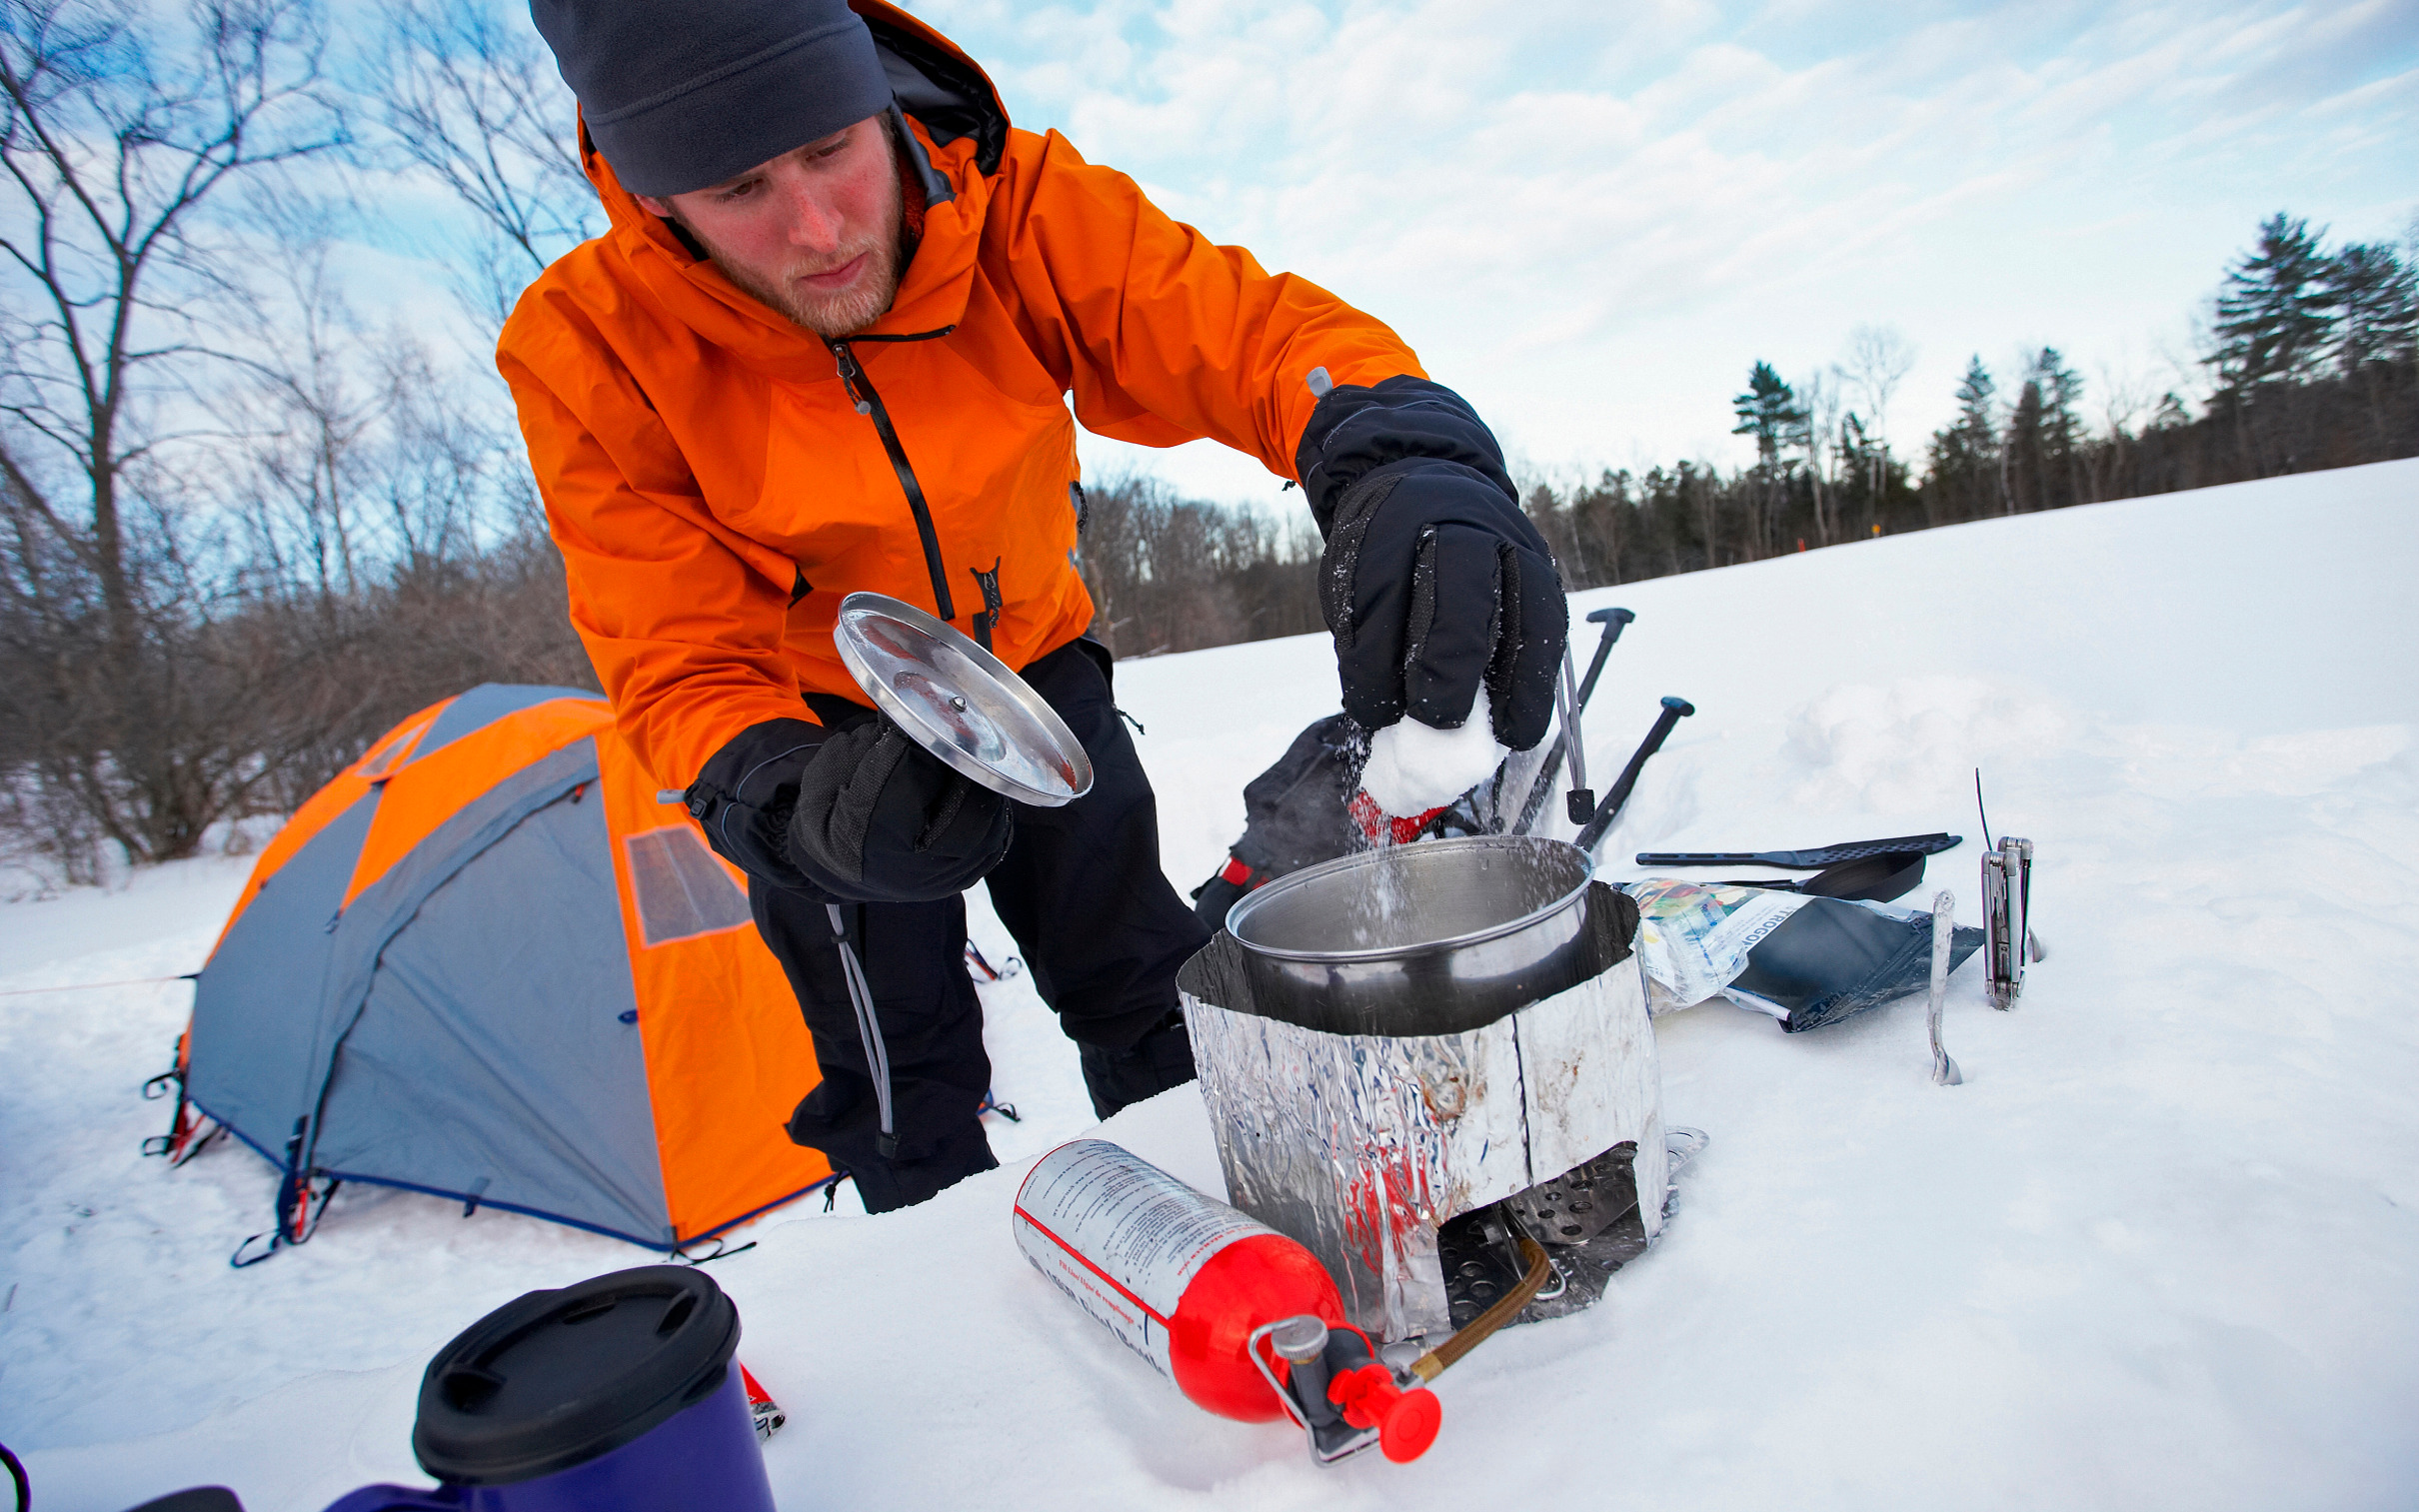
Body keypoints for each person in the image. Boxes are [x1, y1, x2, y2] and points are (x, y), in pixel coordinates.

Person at [501, 0, 1566, 1213]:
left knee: (1138, 978)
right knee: (899, 1069)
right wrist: (775, 793)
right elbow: (671, 648)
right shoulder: (587, 346)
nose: (817, 227)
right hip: (820, 735)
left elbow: (1248, 333)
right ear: (654, 201)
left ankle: (1228, 1220)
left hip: (1036, 671)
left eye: (829, 148)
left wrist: (1392, 448)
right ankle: (966, 1327)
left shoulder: (1007, 200)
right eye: (739, 188)